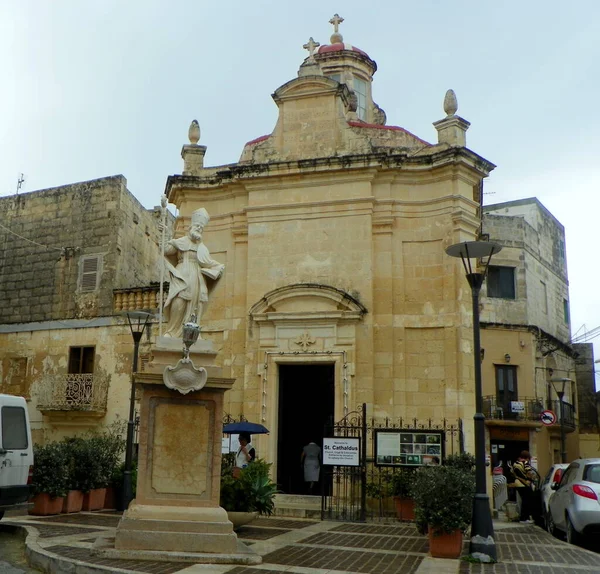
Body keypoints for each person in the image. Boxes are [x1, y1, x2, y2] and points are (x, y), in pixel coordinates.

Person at [162, 208, 224, 338]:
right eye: (197, 226)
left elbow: (209, 263)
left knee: (196, 304)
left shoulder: (203, 248)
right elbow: (166, 250)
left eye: (201, 228)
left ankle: (192, 332)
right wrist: (165, 235)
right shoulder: (181, 241)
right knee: (179, 300)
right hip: (182, 273)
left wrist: (218, 268)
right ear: (191, 227)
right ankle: (172, 330)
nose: (199, 229)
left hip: (197, 277)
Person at [512, 450, 537, 523]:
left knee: (524, 500)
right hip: (524, 484)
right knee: (527, 500)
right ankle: (524, 518)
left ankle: (523, 517)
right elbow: (529, 473)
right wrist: (532, 477)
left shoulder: (515, 463)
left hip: (517, 483)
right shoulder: (525, 463)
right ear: (527, 458)